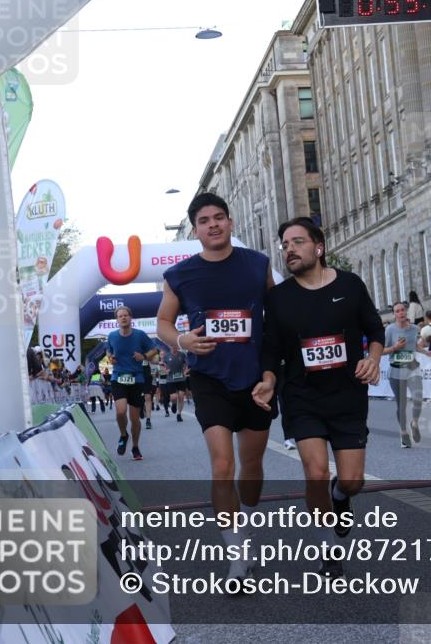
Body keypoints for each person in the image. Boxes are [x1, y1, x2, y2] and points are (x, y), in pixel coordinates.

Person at [254, 217, 384, 579]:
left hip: (347, 396)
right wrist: (267, 379)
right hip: (302, 395)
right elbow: (270, 350)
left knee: (352, 481)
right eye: (284, 244)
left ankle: (340, 496)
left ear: (318, 247)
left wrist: (373, 359)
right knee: (315, 471)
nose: (289, 249)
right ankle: (328, 548)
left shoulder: (350, 285)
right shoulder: (278, 299)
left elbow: (375, 329)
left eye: (297, 241)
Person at [156, 192, 276, 581]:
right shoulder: (180, 274)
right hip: (209, 380)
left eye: (219, 217)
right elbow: (163, 324)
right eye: (205, 220)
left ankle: (248, 524)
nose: (213, 225)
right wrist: (182, 341)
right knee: (222, 465)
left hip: (255, 379)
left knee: (252, 468)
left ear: (230, 222)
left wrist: (274, 372)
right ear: (196, 230)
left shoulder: (257, 265)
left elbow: (276, 318)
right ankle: (236, 552)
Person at [106, 306, 158, 461]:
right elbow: (108, 351)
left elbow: (154, 350)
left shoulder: (140, 335)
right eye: (120, 316)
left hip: (137, 379)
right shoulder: (112, 336)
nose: (123, 318)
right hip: (118, 377)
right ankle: (123, 435)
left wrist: (143, 356)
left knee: (135, 419)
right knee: (120, 411)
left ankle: (135, 447)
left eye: (126, 315)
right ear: (117, 320)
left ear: (130, 318)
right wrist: (110, 358)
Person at [384, 301, 431, 448]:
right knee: (402, 404)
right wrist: (395, 347)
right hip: (396, 370)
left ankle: (414, 423)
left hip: (412, 368)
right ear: (394, 314)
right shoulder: (390, 330)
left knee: (418, 398)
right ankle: (404, 433)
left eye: (402, 310)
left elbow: (415, 346)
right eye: (397, 311)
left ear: (406, 311)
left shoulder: (413, 328)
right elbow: (381, 350)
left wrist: (426, 352)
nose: (401, 313)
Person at [163, 348, 188, 422]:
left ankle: (179, 414)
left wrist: (185, 371)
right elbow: (163, 365)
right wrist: (165, 370)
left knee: (181, 397)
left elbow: (186, 363)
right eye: (171, 346)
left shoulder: (182, 354)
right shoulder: (167, 356)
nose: (173, 347)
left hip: (181, 379)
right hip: (171, 379)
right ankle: (174, 403)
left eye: (174, 346)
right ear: (169, 347)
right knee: (174, 397)